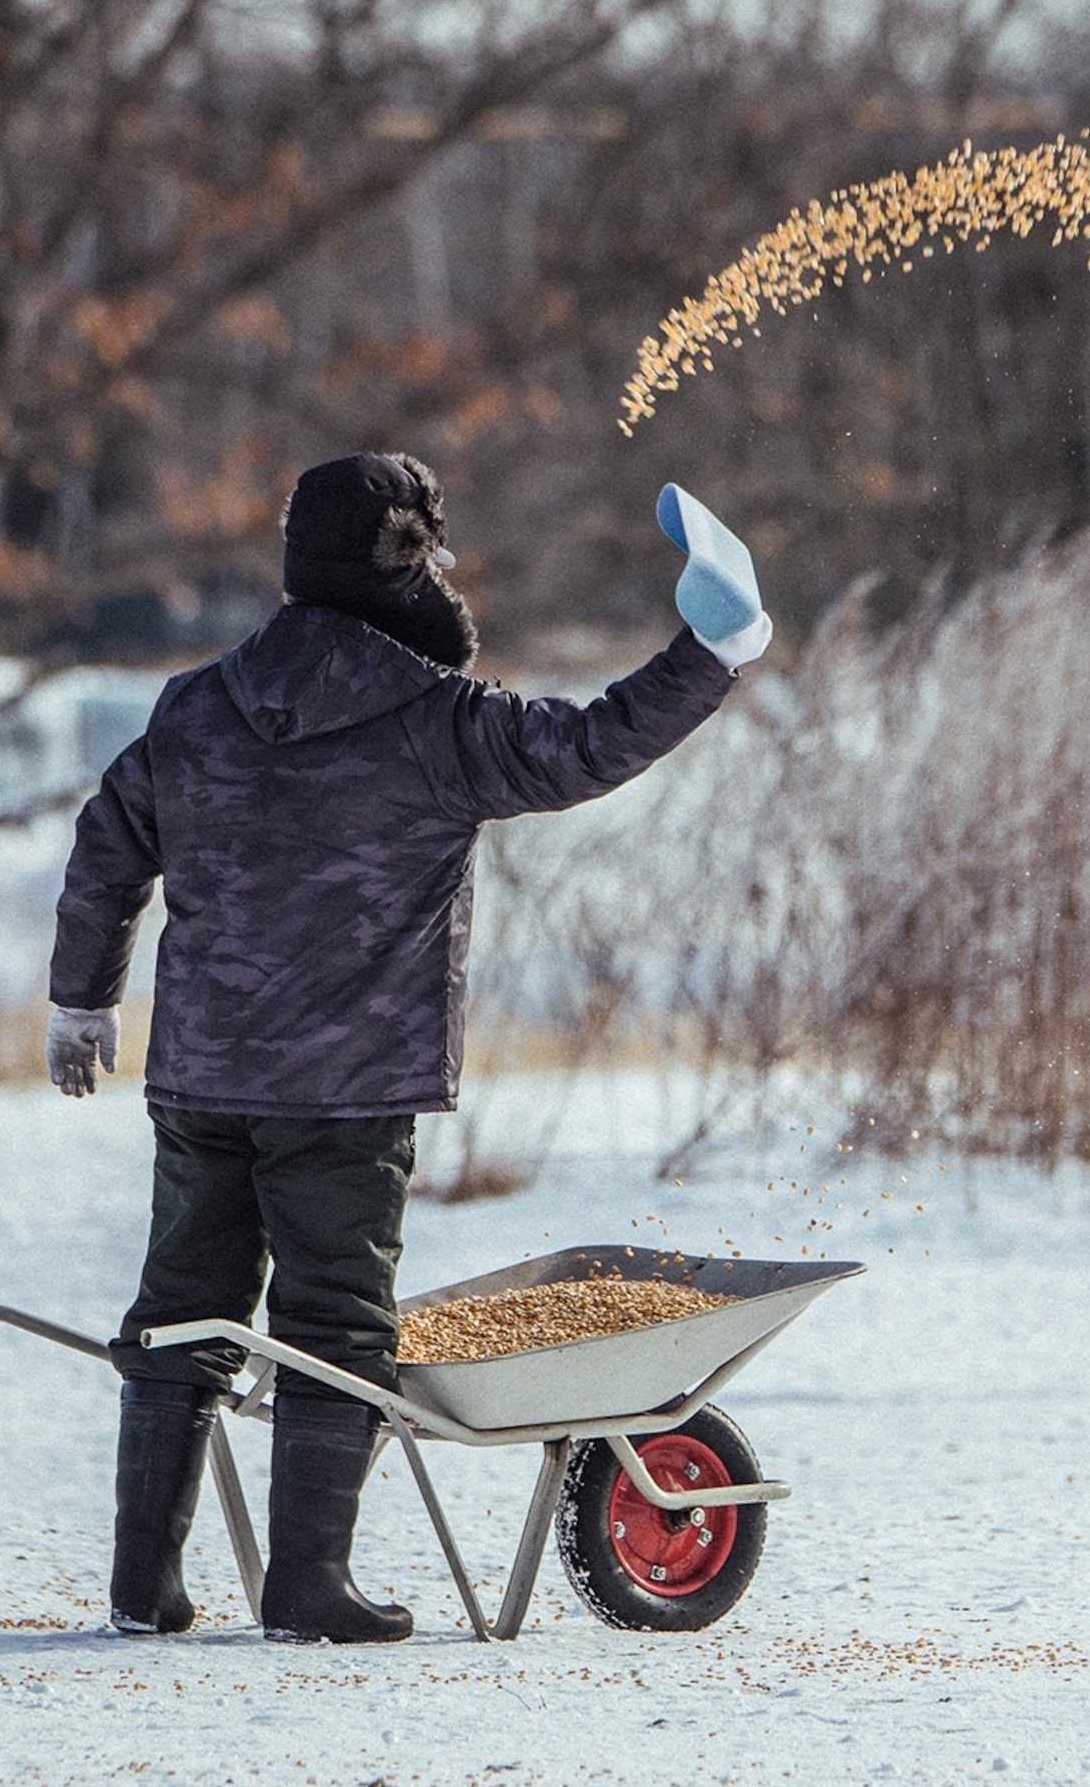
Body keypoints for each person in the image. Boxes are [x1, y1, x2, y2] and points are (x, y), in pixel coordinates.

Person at [43, 452, 770, 1643]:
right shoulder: (434, 719)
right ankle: (308, 1587)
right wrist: (713, 654)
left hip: (204, 1076)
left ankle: (143, 1584)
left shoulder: (198, 705)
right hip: (345, 1084)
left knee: (182, 1306)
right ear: (405, 565)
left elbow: (108, 842)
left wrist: (83, 997)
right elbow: (586, 747)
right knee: (336, 1318)